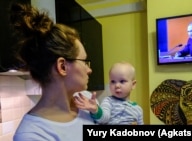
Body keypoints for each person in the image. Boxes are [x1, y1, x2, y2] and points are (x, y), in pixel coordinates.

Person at [10, 3, 96, 141]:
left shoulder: (86, 102)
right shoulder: (32, 135)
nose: (89, 69)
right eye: (84, 61)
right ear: (62, 66)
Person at [74, 62, 144, 125]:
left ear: (133, 84)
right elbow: (104, 119)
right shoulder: (108, 101)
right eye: (113, 81)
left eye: (122, 81)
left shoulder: (138, 109)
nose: (117, 85)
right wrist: (95, 110)